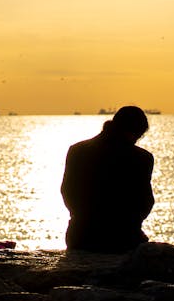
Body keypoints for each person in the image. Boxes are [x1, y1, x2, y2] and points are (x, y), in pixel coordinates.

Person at [60, 106, 155, 253]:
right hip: (123, 238)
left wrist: (82, 218)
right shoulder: (142, 158)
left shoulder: (77, 150)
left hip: (80, 236)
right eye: (138, 136)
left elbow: (67, 192)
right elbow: (145, 202)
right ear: (133, 132)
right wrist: (131, 227)